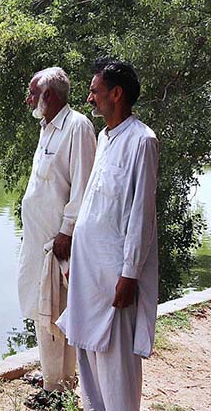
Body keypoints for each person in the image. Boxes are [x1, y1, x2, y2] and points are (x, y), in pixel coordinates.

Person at [56, 58, 159, 410]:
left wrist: (129, 274)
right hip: (89, 273)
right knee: (88, 356)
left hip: (116, 275)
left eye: (94, 91)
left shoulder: (142, 141)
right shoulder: (104, 137)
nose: (89, 99)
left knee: (117, 368)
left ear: (116, 94)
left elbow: (141, 216)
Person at [17, 67, 96, 408]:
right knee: (44, 310)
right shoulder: (46, 128)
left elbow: (83, 186)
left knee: (58, 313)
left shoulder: (77, 127)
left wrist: (67, 230)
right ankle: (53, 379)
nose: (29, 99)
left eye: (33, 93)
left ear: (48, 96)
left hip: (59, 243)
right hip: (39, 242)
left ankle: (58, 389)